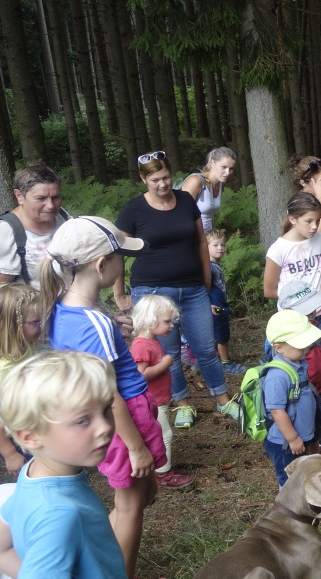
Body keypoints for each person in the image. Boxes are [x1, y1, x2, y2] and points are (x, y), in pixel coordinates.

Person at [39, 216, 166, 577]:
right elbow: (110, 393)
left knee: (136, 497)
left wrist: (111, 323)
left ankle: (99, 560)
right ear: (101, 264)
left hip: (107, 419)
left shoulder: (64, 307)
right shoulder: (93, 322)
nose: (122, 264)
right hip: (124, 417)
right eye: (119, 257)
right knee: (130, 508)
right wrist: (136, 446)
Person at [114, 151, 241, 430]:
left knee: (206, 347)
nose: (162, 185)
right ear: (143, 179)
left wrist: (206, 279)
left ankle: (222, 398)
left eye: (167, 178)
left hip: (193, 287)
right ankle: (182, 404)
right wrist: (119, 293)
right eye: (155, 180)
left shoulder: (185, 200)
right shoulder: (133, 209)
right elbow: (118, 252)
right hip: (152, 290)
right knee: (167, 352)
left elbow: (200, 241)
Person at [0, 352, 127, 578]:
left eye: (106, 409)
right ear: (31, 437)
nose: (105, 427)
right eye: (82, 420)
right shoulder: (59, 514)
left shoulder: (31, 476)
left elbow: (3, 547)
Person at [129, 295, 194, 490]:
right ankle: (163, 473)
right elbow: (141, 375)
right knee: (164, 434)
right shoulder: (141, 345)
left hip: (160, 400)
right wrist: (165, 363)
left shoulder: (153, 341)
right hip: (151, 402)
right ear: (150, 320)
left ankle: (158, 466)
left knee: (160, 433)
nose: (172, 326)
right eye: (167, 321)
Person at [263, 309, 321, 487]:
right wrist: (292, 439)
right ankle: (290, 506)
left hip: (302, 433)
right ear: (278, 347)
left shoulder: (298, 363)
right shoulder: (277, 376)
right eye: (299, 344)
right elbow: (277, 411)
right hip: (286, 442)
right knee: (289, 478)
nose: (306, 348)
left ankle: (306, 491)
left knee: (302, 470)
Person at [0, 164, 68, 289]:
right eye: (40, 198)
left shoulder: (62, 217)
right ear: (19, 196)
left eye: (55, 197)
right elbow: (3, 291)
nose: (51, 205)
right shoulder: (7, 232)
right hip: (35, 307)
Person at [0, 284, 43, 475]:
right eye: (36, 321)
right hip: (18, 439)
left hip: (35, 425)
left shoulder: (27, 346)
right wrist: (9, 453)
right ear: (13, 326)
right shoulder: (5, 368)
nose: (42, 325)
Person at [207, 228, 246, 375]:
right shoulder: (209, 268)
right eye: (215, 245)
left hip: (220, 304)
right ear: (206, 247)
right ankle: (226, 363)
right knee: (222, 335)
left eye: (222, 245)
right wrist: (208, 304)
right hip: (216, 306)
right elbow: (203, 286)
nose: (220, 248)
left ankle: (213, 359)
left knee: (216, 334)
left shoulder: (215, 266)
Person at [179, 147, 236, 231]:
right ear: (212, 163)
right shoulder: (196, 181)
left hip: (208, 237)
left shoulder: (220, 182)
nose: (227, 173)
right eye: (223, 167)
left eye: (231, 169)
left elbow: (208, 215)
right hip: (192, 237)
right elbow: (181, 215)